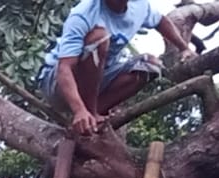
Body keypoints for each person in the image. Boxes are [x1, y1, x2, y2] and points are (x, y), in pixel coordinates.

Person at [36, 0, 197, 136]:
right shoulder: (85, 14)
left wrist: (184, 48)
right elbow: (64, 69)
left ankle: (93, 116)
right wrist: (79, 110)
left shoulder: (139, 6)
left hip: (99, 79)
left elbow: (161, 21)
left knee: (151, 66)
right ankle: (89, 113)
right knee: (100, 38)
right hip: (57, 83)